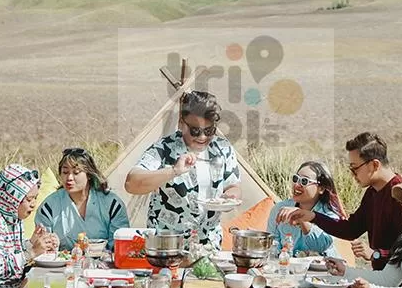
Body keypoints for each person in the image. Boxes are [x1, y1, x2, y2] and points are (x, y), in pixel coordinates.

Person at [124, 90, 242, 248]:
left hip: (209, 245)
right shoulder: (164, 148)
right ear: (181, 123)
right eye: (195, 130)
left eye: (209, 131)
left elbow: (233, 186)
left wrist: (229, 198)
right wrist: (173, 171)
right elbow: (131, 183)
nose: (202, 137)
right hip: (167, 246)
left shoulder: (223, 149)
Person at [278, 132, 402, 270]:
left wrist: (375, 254)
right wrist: (313, 217)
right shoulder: (373, 192)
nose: (352, 175)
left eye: (354, 168)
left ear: (374, 165)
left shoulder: (401, 196)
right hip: (383, 277)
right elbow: (351, 229)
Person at [36, 147, 130, 251]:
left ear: (89, 174)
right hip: (61, 264)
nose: (69, 178)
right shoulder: (49, 206)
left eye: (76, 172)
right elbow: (43, 246)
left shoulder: (112, 204)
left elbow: (120, 244)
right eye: (65, 172)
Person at [266, 161, 346, 257]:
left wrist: (302, 219)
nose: (297, 185)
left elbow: (320, 246)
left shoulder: (330, 216)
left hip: (324, 269)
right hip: (287, 267)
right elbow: (272, 242)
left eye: (304, 181)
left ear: (321, 189)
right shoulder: (280, 209)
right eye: (296, 179)